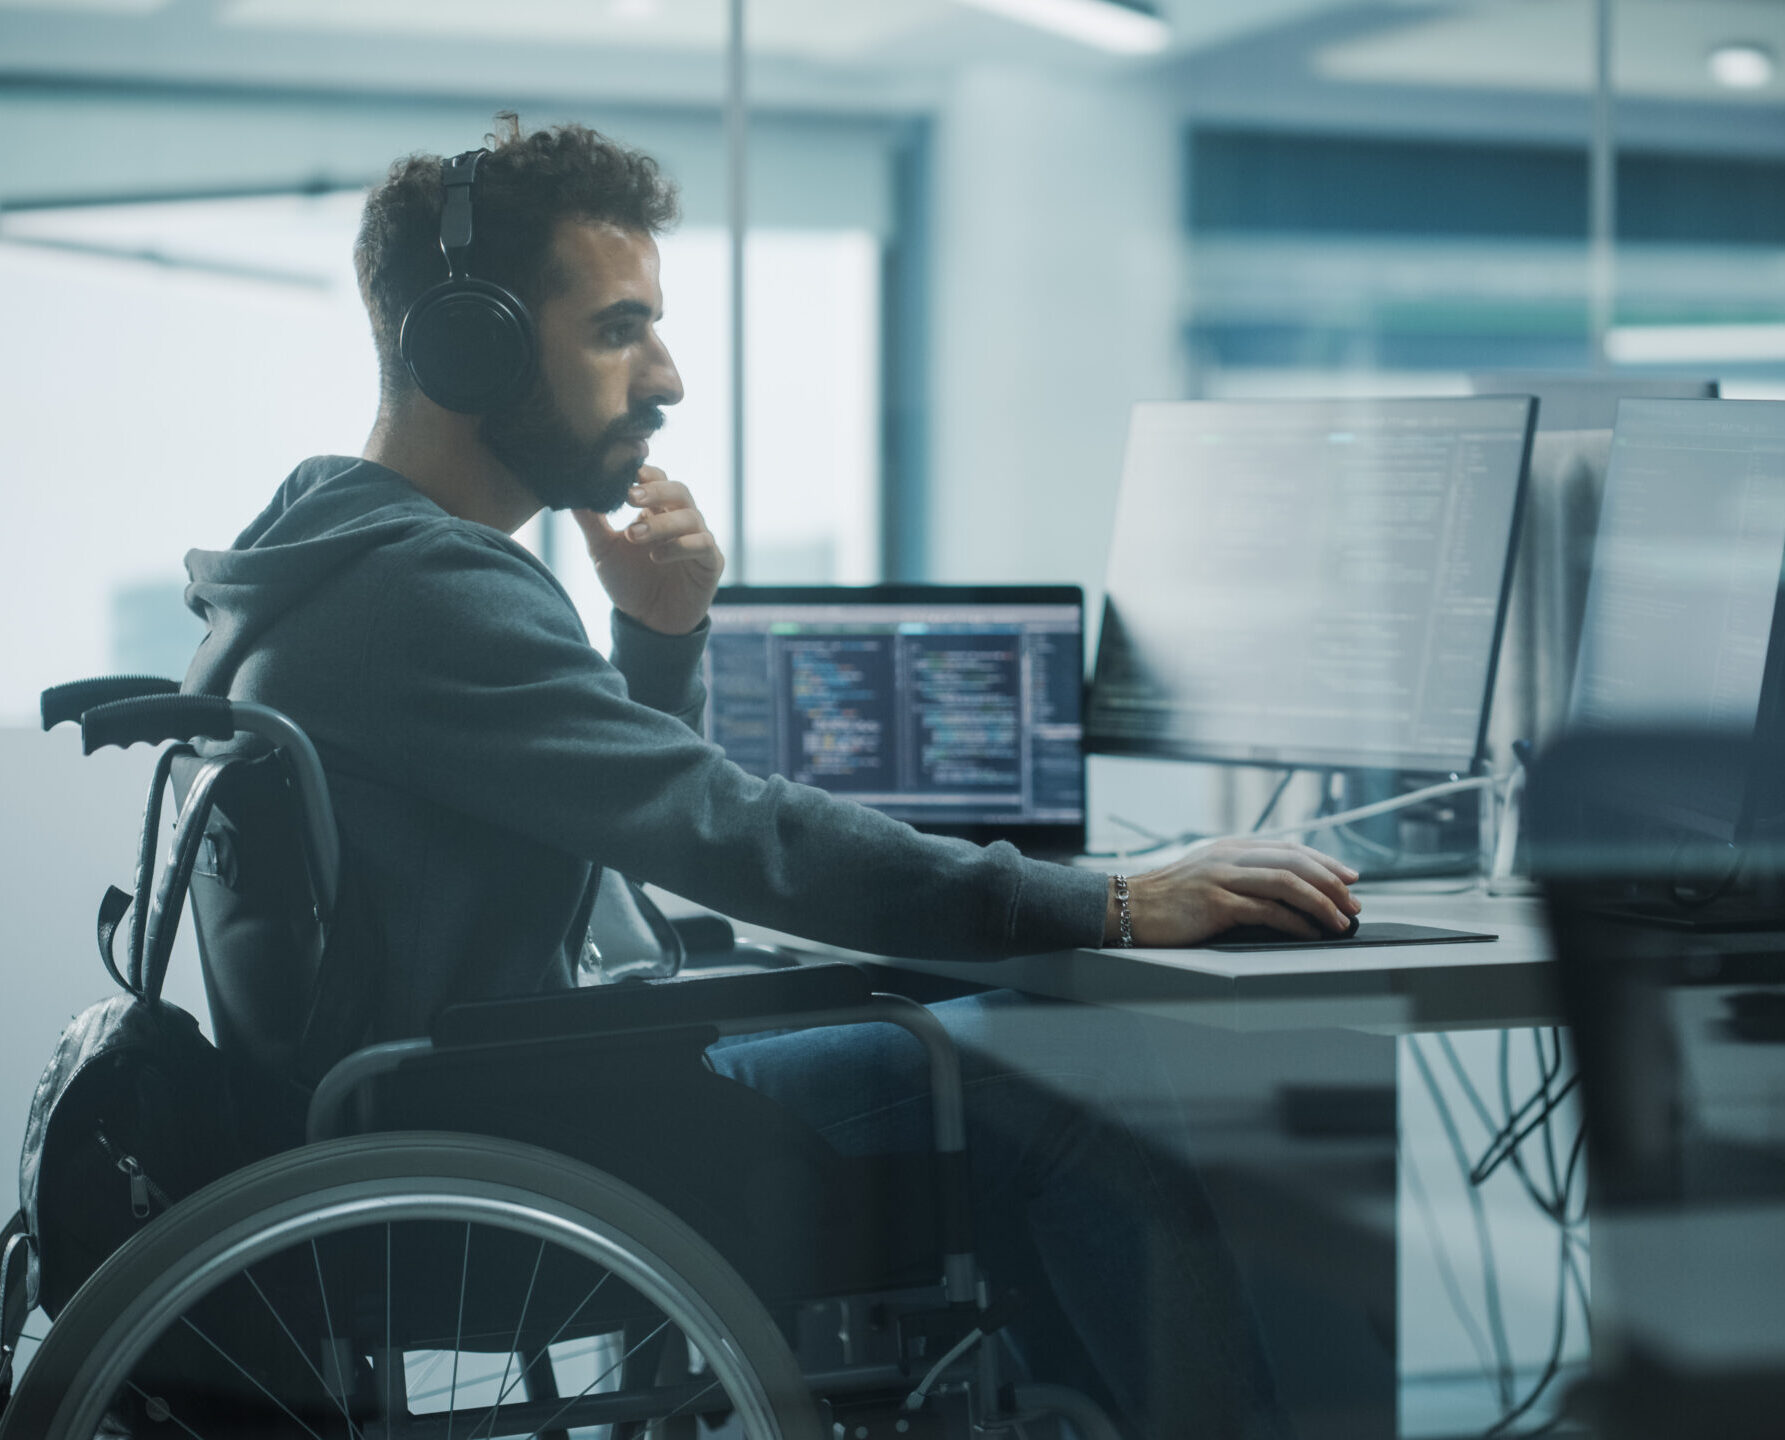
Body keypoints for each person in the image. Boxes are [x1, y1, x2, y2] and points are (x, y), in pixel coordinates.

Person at [181, 115, 1359, 1437]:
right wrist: (1116, 906)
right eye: (618, 328)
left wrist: (660, 640)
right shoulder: (427, 590)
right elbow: (729, 831)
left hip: (440, 1120)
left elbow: (581, 826)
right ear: (473, 345)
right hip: (515, 1162)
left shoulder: (314, 558)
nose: (667, 376)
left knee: (984, 1052)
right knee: (1080, 1087)